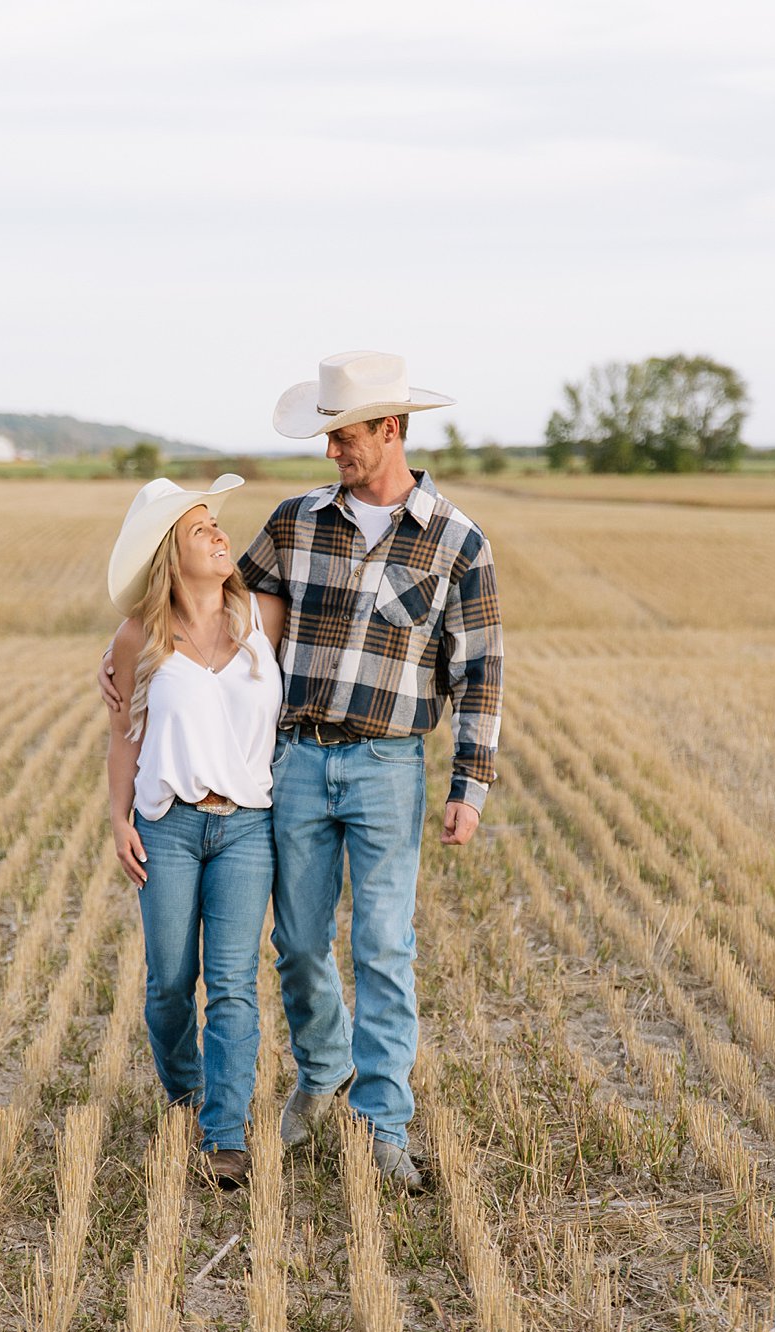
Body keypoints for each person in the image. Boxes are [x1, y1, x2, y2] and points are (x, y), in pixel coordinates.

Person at [105, 351, 504, 1191]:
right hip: (295, 764)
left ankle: (383, 1124)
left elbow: (481, 673)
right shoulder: (295, 524)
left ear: (391, 430)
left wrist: (470, 785)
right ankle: (325, 1067)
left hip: (389, 764)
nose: (332, 452)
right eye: (328, 437)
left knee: (385, 943)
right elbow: (198, 601)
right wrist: (124, 660)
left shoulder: (459, 544)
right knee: (295, 942)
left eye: (345, 436)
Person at [104, 473, 287, 1190]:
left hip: (247, 827)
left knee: (235, 985)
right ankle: (185, 1093)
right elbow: (123, 735)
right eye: (199, 529)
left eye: (215, 523)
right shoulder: (137, 637)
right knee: (171, 985)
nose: (219, 535)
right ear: (169, 558)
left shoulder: (263, 618)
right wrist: (118, 818)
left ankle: (223, 1134)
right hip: (169, 826)